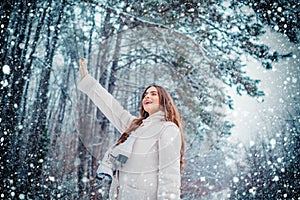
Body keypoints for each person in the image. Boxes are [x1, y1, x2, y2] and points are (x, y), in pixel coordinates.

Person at [77, 58, 185, 200]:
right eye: (145, 94)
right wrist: (89, 83)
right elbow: (112, 107)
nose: (147, 96)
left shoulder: (168, 129)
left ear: (164, 101)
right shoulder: (136, 126)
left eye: (153, 94)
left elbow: (170, 176)